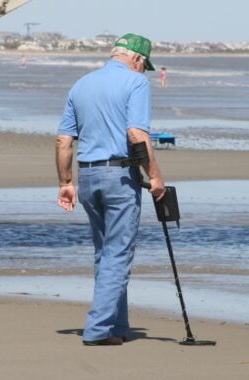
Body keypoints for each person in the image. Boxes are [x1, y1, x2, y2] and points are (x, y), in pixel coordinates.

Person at [56, 33, 166, 346]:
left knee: (106, 253)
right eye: (144, 66)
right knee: (117, 254)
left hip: (88, 177)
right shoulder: (137, 82)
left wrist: (65, 182)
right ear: (138, 60)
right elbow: (136, 133)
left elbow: (64, 140)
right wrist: (155, 176)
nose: (142, 71)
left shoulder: (81, 84)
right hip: (119, 176)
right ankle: (97, 330)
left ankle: (118, 327)